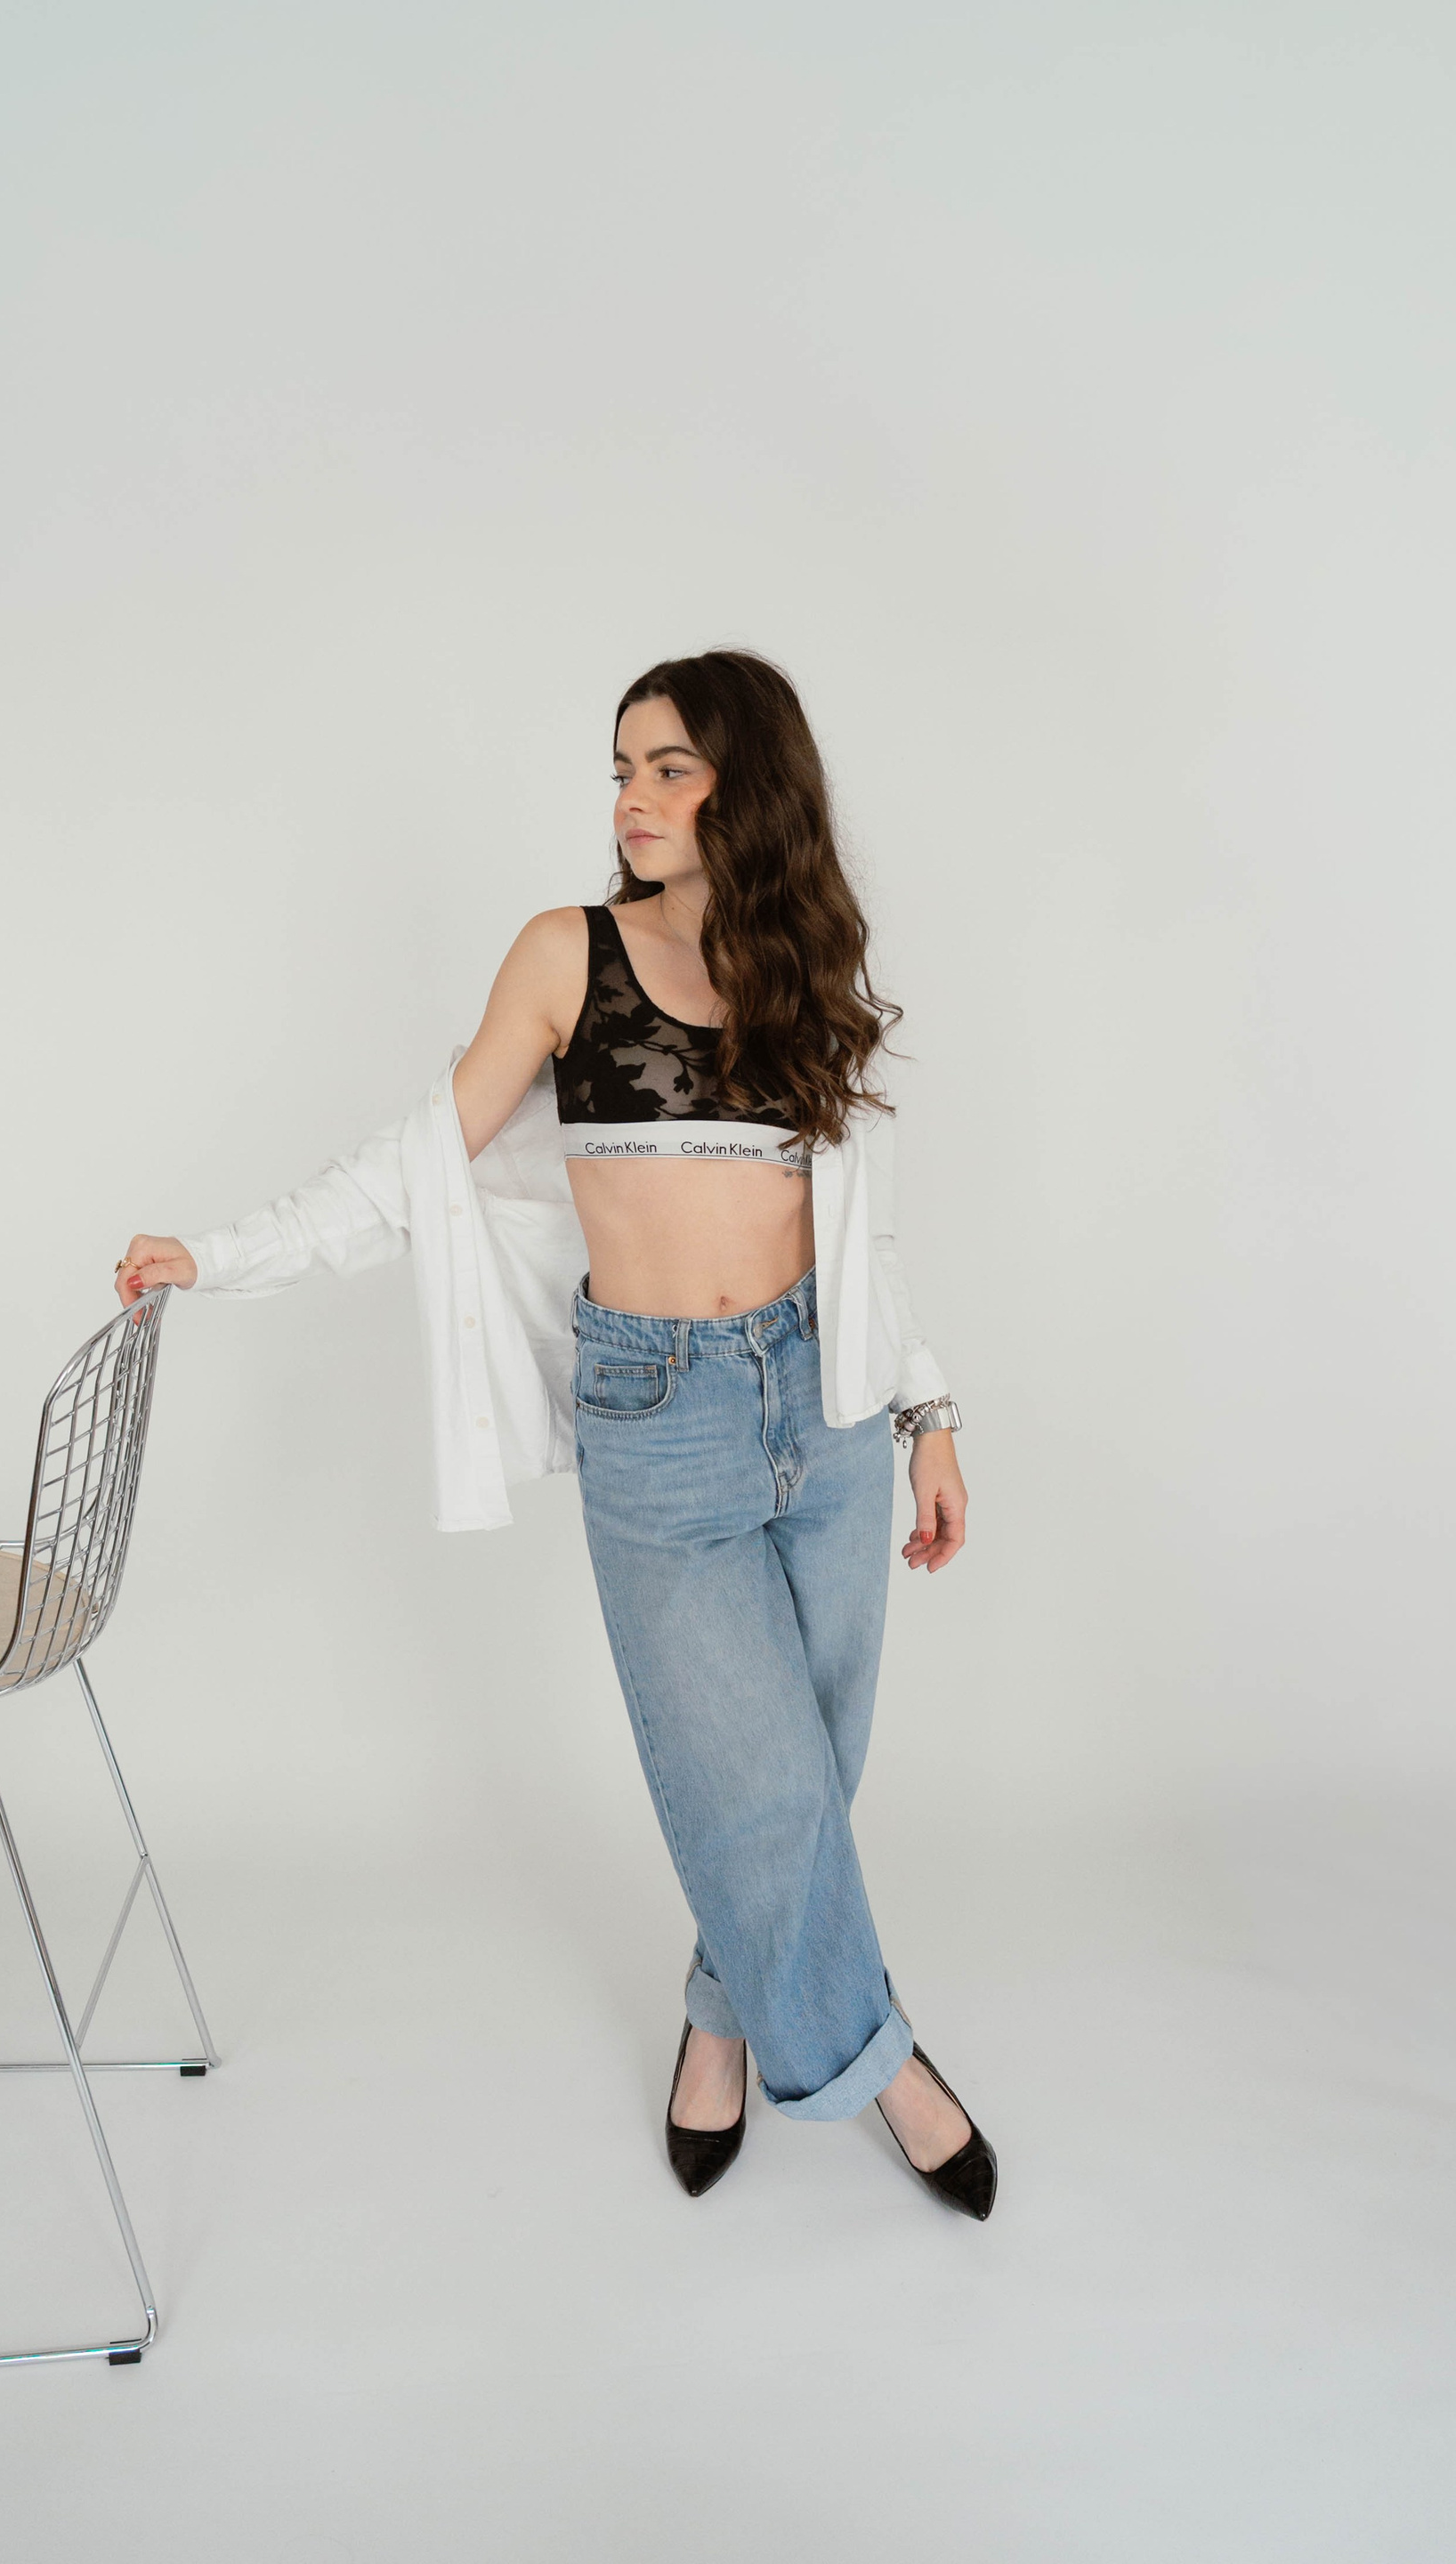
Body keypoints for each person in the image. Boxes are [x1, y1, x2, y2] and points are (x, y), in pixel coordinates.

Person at [116, 650, 993, 2217]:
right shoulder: (564, 954)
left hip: (830, 1398)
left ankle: (718, 2017)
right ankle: (888, 2070)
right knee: (753, 1781)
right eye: (623, 768)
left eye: (670, 768)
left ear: (748, 786)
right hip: (660, 1413)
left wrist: (928, 1412)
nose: (633, 798)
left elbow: (863, 1229)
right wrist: (221, 1256)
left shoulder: (802, 969)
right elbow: (414, 1166)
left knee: (812, 1763)